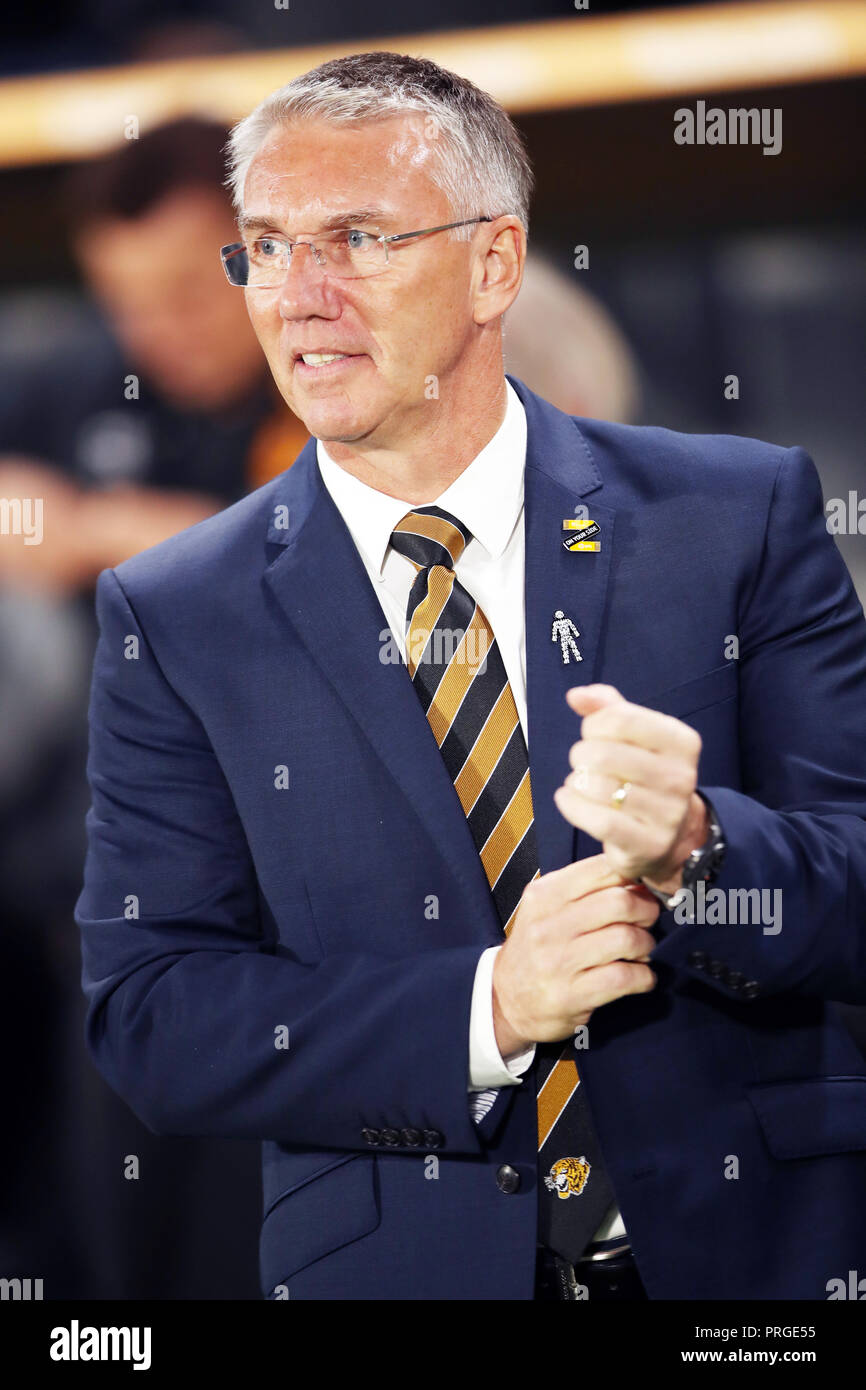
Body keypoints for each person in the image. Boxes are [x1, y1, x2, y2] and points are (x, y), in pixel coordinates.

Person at [75, 51, 866, 1301]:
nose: (300, 294)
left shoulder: (733, 513)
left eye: (356, 239)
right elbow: (154, 1015)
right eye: (267, 247)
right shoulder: (175, 615)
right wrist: (491, 1004)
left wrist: (699, 854)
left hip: (758, 1264)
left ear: (495, 262)